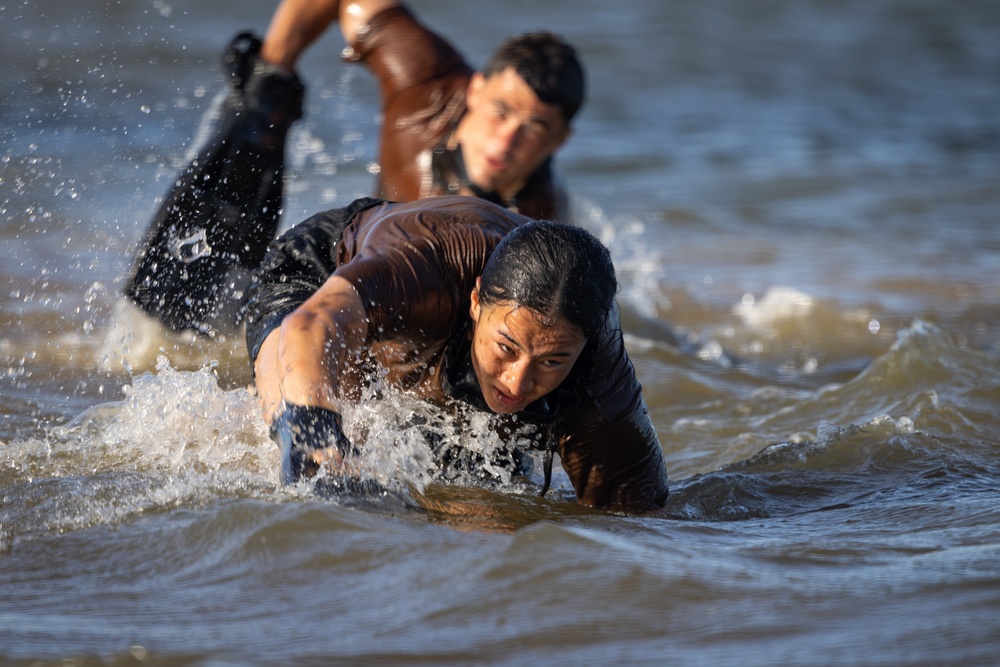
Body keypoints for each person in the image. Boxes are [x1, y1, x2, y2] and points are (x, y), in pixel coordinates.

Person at [124, 0, 584, 334]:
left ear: (561, 141)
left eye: (535, 128)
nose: (506, 140)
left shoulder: (534, 227)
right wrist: (272, 73)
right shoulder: (422, 78)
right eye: (501, 111)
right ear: (477, 90)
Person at [246, 195, 669, 513]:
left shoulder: (601, 374)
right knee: (303, 412)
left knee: (489, 501)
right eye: (507, 348)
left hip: (450, 330)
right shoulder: (424, 267)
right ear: (476, 299)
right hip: (323, 269)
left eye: (551, 362)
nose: (517, 382)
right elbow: (309, 325)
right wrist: (318, 434)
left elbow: (635, 520)